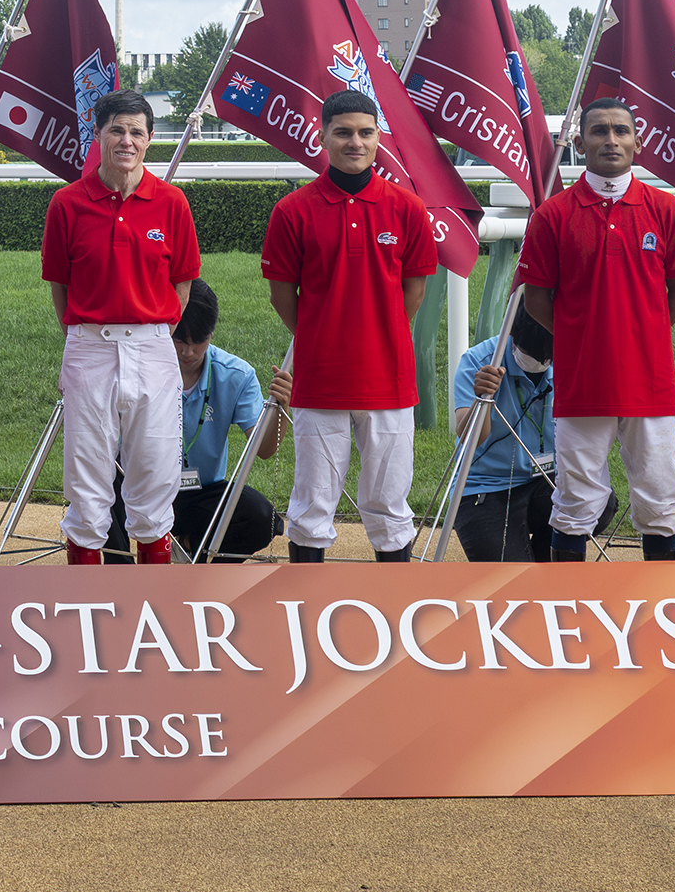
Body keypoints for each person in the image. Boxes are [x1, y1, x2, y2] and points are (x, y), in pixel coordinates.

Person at [514, 98, 675, 563]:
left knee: (658, 500)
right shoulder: (552, 215)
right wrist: (581, 337)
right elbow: (535, 300)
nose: (611, 140)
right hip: (583, 384)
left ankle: (660, 605)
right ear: (580, 142)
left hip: (650, 384)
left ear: (637, 142)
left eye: (621, 131)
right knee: (574, 503)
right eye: (600, 131)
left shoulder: (665, 210)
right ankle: (569, 605)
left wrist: (641, 332)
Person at [260, 90, 438, 562]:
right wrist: (320, 335)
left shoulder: (407, 208)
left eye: (365, 132)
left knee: (389, 505)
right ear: (322, 137)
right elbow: (282, 295)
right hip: (320, 380)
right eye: (342, 133)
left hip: (388, 380)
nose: (355, 142)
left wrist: (380, 332)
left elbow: (414, 291)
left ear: (378, 138)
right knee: (312, 504)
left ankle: (394, 603)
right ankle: (307, 602)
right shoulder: (292, 210)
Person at [41, 93, 203, 565]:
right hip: (90, 346)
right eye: (116, 129)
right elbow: (60, 285)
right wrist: (82, 336)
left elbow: (182, 285)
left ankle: (151, 594)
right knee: (87, 479)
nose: (126, 140)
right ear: (98, 135)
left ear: (149, 139)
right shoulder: (67, 203)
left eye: (136, 132)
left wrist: (153, 329)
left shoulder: (171, 202)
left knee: (155, 474)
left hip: (152, 347)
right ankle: (88, 596)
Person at [163, 283, 284, 560]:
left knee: (263, 519)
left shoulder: (237, 375)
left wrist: (280, 408)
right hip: (144, 485)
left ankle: (195, 553)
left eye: (198, 341)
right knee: (105, 489)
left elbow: (263, 450)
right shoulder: (143, 368)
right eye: (180, 340)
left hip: (201, 494)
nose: (188, 352)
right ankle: (119, 569)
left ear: (212, 334)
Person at [449, 313, 570, 562]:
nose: (540, 361)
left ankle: (543, 558)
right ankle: (533, 562)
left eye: (547, 356)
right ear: (512, 335)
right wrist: (482, 399)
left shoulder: (569, 357)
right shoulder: (479, 362)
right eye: (531, 353)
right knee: (511, 577)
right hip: (486, 486)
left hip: (546, 482)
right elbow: (471, 439)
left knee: (600, 500)